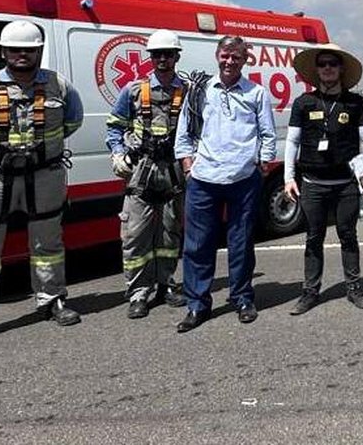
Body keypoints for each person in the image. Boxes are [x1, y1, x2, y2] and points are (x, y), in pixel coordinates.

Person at [0, 20, 84, 349]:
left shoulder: (60, 86)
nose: (22, 54)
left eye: (29, 49)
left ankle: (52, 301)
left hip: (43, 174)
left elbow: (73, 121)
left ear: (40, 51)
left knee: (48, 244)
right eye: (15, 49)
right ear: (3, 52)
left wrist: (39, 151)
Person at [172, 35, 277, 332]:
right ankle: (197, 305)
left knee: (241, 242)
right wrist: (188, 165)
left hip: (243, 180)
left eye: (237, 57)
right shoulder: (200, 90)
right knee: (197, 245)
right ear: (217, 56)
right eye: (226, 55)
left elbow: (267, 133)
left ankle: (242, 298)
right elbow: (185, 130)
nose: (230, 61)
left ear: (245, 61)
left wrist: (263, 163)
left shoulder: (256, 92)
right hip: (203, 179)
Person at [285, 42, 363, 315]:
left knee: (348, 235)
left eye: (332, 64)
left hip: (346, 183)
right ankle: (310, 292)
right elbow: (292, 141)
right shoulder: (304, 103)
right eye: (322, 64)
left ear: (340, 69)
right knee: (313, 238)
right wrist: (289, 177)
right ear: (316, 69)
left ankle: (354, 288)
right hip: (312, 184)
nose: (327, 68)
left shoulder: (356, 102)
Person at [105, 30, 188, 319]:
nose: (162, 59)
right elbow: (115, 126)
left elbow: (200, 128)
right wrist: (117, 153)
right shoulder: (132, 90)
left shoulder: (188, 91)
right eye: (157, 54)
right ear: (150, 58)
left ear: (177, 56)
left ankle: (166, 284)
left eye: (168, 54)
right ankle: (139, 292)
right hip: (141, 170)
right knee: (135, 236)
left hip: (174, 171)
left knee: (170, 231)